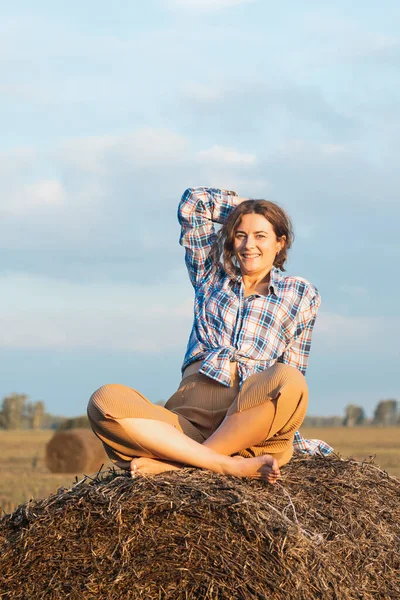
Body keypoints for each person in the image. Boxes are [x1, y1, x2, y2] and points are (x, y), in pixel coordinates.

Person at [87, 187, 332, 484]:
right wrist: (250, 209)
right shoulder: (211, 275)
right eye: (240, 235)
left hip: (249, 431)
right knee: (104, 401)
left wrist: (258, 214)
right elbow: (194, 204)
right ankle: (219, 464)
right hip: (187, 424)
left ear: (280, 243)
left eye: (261, 236)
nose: (248, 244)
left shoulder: (300, 293)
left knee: (290, 379)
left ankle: (179, 466)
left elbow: (294, 372)